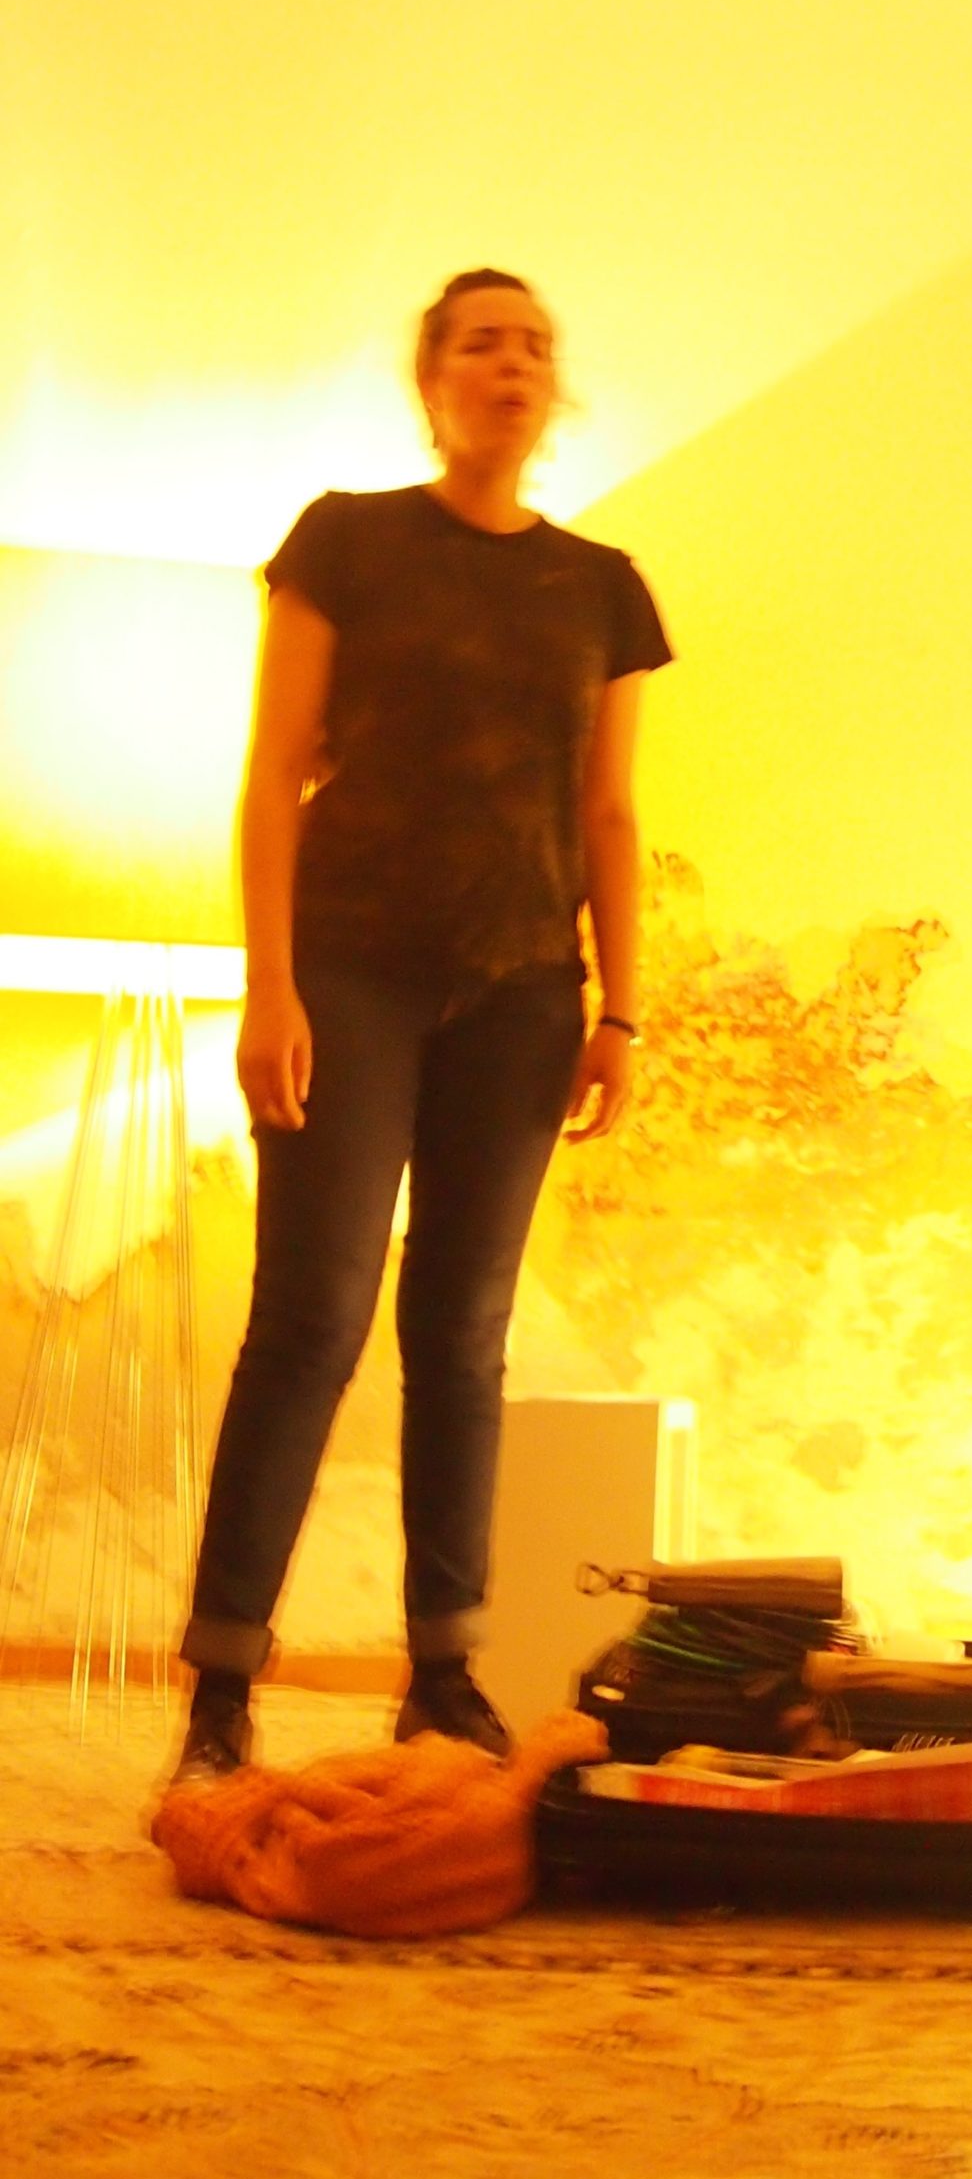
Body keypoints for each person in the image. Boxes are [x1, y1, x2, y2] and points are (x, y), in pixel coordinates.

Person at [172, 269, 671, 1782]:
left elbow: (608, 811)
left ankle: (444, 1675)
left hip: (522, 994)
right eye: (480, 342)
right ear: (432, 381)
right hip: (349, 972)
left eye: (534, 345)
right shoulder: (345, 541)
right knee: (311, 1320)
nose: (510, 363)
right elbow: (272, 771)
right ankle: (222, 1689)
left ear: (553, 389)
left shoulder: (603, 588)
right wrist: (268, 985)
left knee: (463, 1334)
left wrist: (622, 1010)